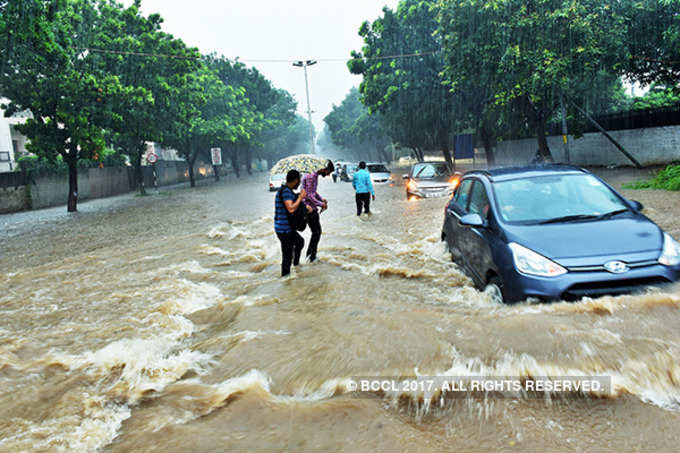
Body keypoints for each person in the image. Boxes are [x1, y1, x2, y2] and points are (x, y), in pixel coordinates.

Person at [274, 170, 306, 277]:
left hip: (287, 228)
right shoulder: (286, 191)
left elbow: (294, 204)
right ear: (296, 180)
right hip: (284, 230)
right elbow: (291, 208)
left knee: (300, 242)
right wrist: (301, 197)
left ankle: (296, 265)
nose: (299, 183)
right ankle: (286, 279)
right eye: (299, 181)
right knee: (287, 255)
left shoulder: (288, 191)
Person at [301, 160, 334, 262]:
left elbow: (313, 192)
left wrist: (321, 199)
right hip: (308, 208)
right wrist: (321, 204)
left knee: (316, 232)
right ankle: (311, 257)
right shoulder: (311, 176)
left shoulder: (313, 175)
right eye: (329, 172)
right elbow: (309, 195)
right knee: (316, 232)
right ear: (325, 169)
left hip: (310, 207)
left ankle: (311, 255)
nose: (328, 175)